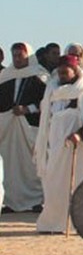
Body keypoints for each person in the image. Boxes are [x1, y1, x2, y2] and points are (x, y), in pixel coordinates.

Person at [34, 55, 83, 234]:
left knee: (79, 183)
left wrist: (80, 134)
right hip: (57, 145)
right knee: (54, 183)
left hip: (78, 148)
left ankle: (80, 223)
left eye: (66, 72)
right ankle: (54, 223)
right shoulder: (52, 90)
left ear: (75, 71)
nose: (62, 75)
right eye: (60, 72)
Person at [0, 42, 48, 211]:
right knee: (10, 166)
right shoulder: (5, 76)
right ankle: (11, 202)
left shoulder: (40, 76)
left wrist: (28, 109)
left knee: (31, 165)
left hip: (30, 128)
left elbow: (47, 102)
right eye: (15, 56)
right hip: (9, 130)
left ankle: (35, 201)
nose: (17, 59)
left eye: (21, 55)